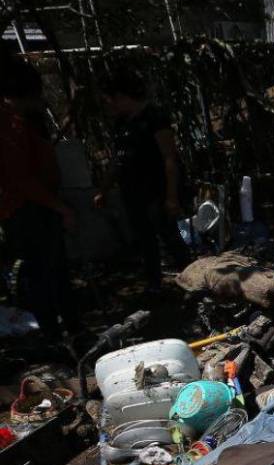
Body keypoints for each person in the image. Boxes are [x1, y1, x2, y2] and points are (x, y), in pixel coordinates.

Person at [0, 58, 79, 339]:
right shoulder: (9, 125)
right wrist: (60, 208)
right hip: (29, 212)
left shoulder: (20, 122)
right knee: (45, 278)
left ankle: (68, 331)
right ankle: (58, 337)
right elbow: (21, 180)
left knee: (53, 275)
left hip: (35, 209)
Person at [94, 66, 192, 291]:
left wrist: (171, 197)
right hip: (133, 194)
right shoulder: (121, 124)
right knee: (145, 242)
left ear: (121, 97)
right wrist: (104, 189)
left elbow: (170, 158)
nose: (108, 106)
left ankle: (193, 281)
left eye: (109, 100)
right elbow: (117, 160)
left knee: (170, 238)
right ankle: (154, 285)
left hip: (156, 192)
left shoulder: (154, 118)